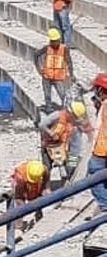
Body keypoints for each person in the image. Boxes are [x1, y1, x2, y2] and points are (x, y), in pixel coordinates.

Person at [39, 101, 88, 181]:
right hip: (48, 145)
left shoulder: (74, 126)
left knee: (64, 169)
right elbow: (42, 125)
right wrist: (51, 133)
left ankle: (65, 182)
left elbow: (75, 148)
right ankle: (45, 187)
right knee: (46, 168)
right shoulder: (57, 116)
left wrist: (72, 164)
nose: (74, 120)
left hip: (61, 147)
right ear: (70, 112)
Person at [34, 28, 74, 113]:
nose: (56, 43)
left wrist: (71, 74)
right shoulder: (46, 48)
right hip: (47, 76)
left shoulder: (64, 49)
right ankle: (48, 110)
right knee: (47, 95)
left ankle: (65, 110)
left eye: (57, 41)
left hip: (59, 77)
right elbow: (36, 55)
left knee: (63, 94)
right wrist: (38, 68)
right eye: (54, 41)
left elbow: (69, 62)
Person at [11, 160, 49, 229]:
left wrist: (45, 187)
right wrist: (24, 208)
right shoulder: (20, 176)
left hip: (34, 182)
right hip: (21, 184)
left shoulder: (42, 169)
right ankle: (18, 224)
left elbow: (46, 176)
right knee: (20, 205)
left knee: (37, 196)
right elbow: (19, 197)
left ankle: (39, 215)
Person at [88, 85, 107, 215]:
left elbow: (98, 127)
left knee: (94, 176)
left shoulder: (105, 106)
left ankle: (105, 205)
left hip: (102, 149)